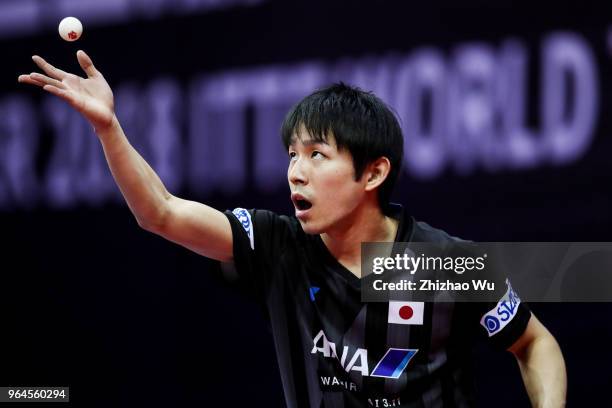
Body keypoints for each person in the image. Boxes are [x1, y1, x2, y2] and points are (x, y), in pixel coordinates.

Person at [18, 51, 567, 407]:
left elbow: (535, 343)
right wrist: (109, 128)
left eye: (317, 155)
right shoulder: (279, 247)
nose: (295, 171)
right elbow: (158, 211)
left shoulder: (444, 264)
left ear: (373, 172)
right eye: (291, 155)